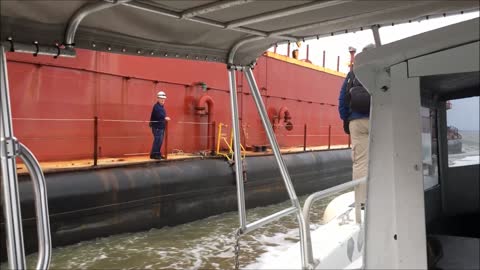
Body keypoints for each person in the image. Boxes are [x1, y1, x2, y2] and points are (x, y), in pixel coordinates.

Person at [338, 43, 375, 211]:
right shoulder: (382, 70)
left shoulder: (352, 74)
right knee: (382, 159)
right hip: (377, 120)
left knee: (360, 163)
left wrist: (347, 120)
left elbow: (342, 100)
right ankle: (380, 196)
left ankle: (361, 202)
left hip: (356, 122)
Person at [149, 91, 170, 159]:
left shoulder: (161, 107)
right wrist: (165, 117)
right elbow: (159, 114)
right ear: (158, 98)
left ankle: (156, 154)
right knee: (157, 140)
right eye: (161, 98)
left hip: (160, 127)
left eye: (164, 98)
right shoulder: (157, 106)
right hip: (157, 127)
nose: (163, 100)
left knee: (159, 141)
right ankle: (154, 155)